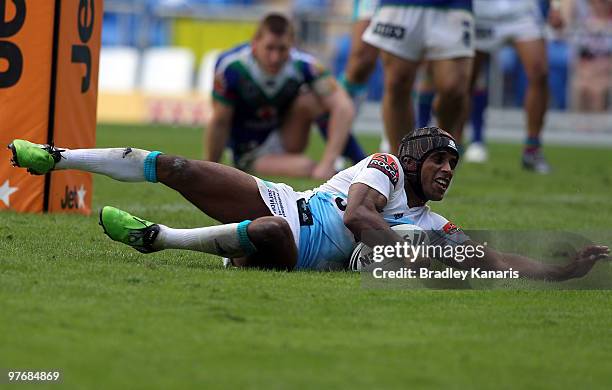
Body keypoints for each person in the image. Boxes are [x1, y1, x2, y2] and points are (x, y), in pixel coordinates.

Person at [8, 127, 609, 279]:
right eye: (441, 161)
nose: (448, 171)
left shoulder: (432, 221)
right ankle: (56, 156)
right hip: (287, 199)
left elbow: (491, 258)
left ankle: (157, 238)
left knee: (269, 235)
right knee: (178, 165)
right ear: (417, 157)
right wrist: (408, 250)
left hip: (300, 247)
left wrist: (559, 270)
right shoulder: (387, 167)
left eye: (454, 165)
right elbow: (357, 218)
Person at [207, 13, 365, 180]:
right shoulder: (232, 66)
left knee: (313, 99)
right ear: (255, 43)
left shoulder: (304, 65)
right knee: (305, 167)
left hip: (285, 137)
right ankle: (344, 175)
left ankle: (360, 163)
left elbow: (343, 106)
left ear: (291, 45)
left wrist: (328, 162)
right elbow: (219, 122)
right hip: (249, 150)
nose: (275, 57)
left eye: (282, 49)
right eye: (269, 48)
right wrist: (211, 167)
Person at [361, 0, 475, 153]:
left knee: (453, 89)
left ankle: (441, 152)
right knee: (397, 83)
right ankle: (402, 166)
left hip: (452, 7)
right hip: (400, 6)